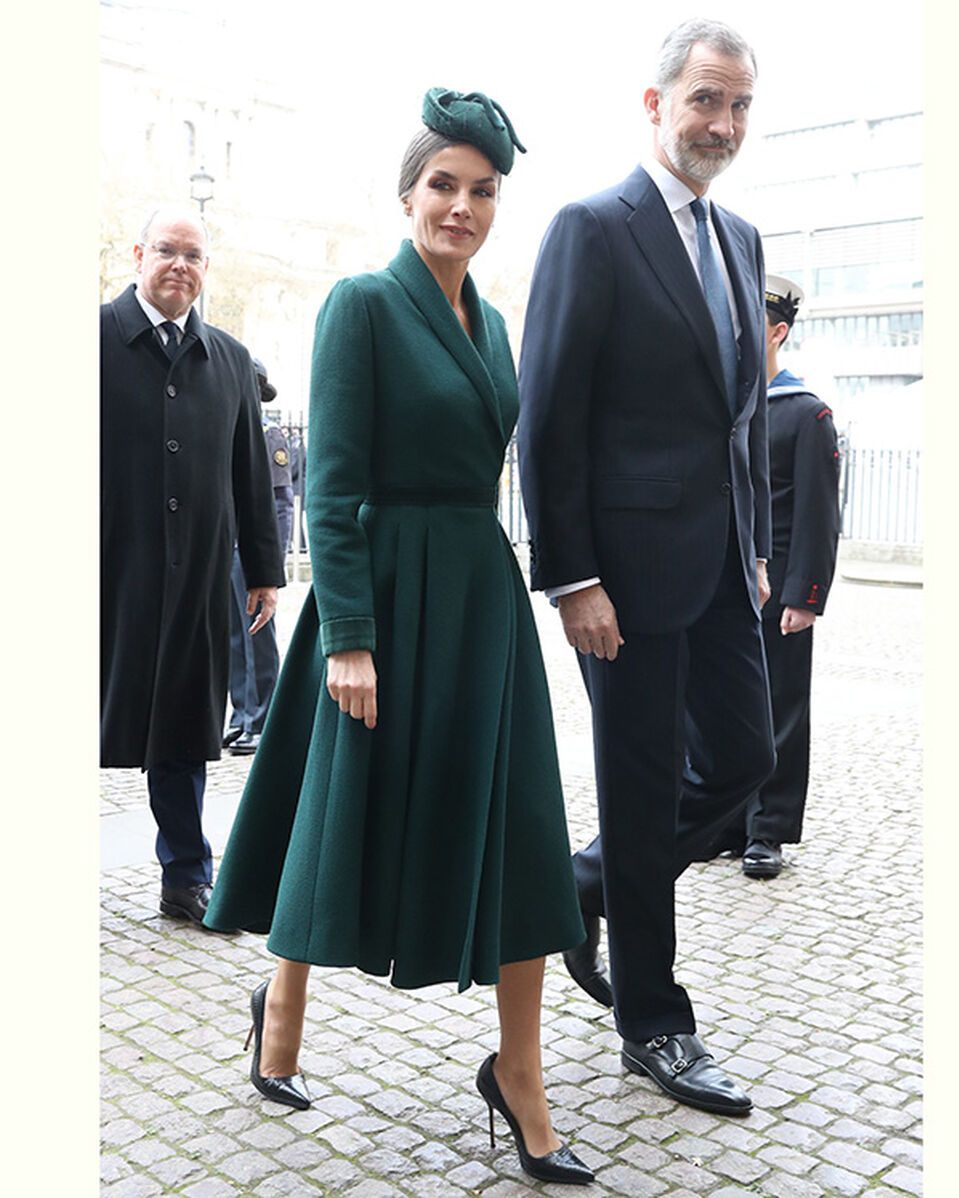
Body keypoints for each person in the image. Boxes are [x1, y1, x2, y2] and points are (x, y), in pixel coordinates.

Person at [204, 89, 594, 1186]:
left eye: (481, 190)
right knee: (339, 810)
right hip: (380, 598)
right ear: (408, 193)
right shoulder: (360, 304)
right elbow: (329, 485)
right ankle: (281, 1005)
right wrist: (349, 636)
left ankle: (520, 1074)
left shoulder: (499, 324)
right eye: (442, 185)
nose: (460, 206)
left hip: (478, 598)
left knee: (518, 827)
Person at [517, 18, 775, 1117]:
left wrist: (755, 546)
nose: (720, 123)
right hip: (620, 577)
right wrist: (573, 576)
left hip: (720, 564)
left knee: (744, 762)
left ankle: (583, 885)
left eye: (738, 106)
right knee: (634, 783)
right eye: (704, 100)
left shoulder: (743, 237)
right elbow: (549, 414)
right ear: (654, 104)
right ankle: (653, 1022)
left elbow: (742, 417)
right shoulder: (592, 227)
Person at [101, 207, 284, 927]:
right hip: (103, 577)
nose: (182, 264)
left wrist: (264, 571)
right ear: (139, 254)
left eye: (195, 255)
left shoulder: (232, 362)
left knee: (182, 729)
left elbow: (249, 480)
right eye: (168, 251)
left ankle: (186, 876)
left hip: (196, 583)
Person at [722, 275, 841, 878]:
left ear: (778, 330)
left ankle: (767, 828)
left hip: (782, 595)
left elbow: (821, 517)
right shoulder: (726, 405)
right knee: (724, 708)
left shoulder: (805, 412)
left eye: (751, 320)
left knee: (781, 709)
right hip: (724, 586)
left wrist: (807, 597)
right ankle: (726, 820)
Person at [224, 359, 294, 756]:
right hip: (228, 544)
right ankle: (241, 716)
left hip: (251, 551)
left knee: (257, 635)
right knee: (234, 634)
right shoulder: (230, 428)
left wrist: (272, 561)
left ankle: (263, 718)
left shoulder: (267, 434)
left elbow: (279, 504)